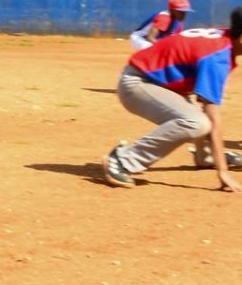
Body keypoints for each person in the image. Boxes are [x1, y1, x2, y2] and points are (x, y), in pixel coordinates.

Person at [102, 12, 242, 191]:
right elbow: (212, 113)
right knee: (196, 122)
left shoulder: (225, 37)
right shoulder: (217, 57)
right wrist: (223, 171)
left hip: (161, 84)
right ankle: (123, 160)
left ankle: (206, 156)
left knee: (199, 117)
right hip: (137, 84)